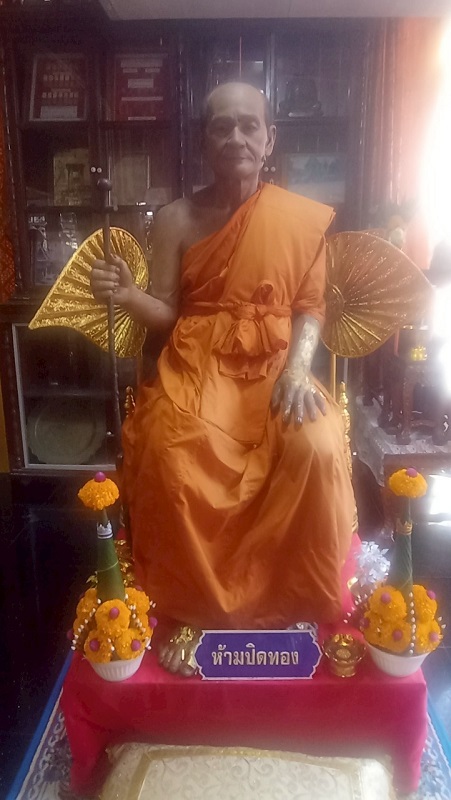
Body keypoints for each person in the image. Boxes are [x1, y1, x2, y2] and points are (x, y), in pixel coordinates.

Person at [91, 82, 355, 676]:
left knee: (314, 448)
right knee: (169, 456)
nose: (236, 136)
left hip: (277, 369)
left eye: (248, 125)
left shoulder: (299, 218)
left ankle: (290, 604)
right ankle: (192, 609)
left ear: (269, 139)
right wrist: (129, 295)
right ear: (204, 141)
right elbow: (168, 312)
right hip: (196, 369)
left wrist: (298, 369)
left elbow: (310, 307)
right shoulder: (175, 219)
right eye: (221, 126)